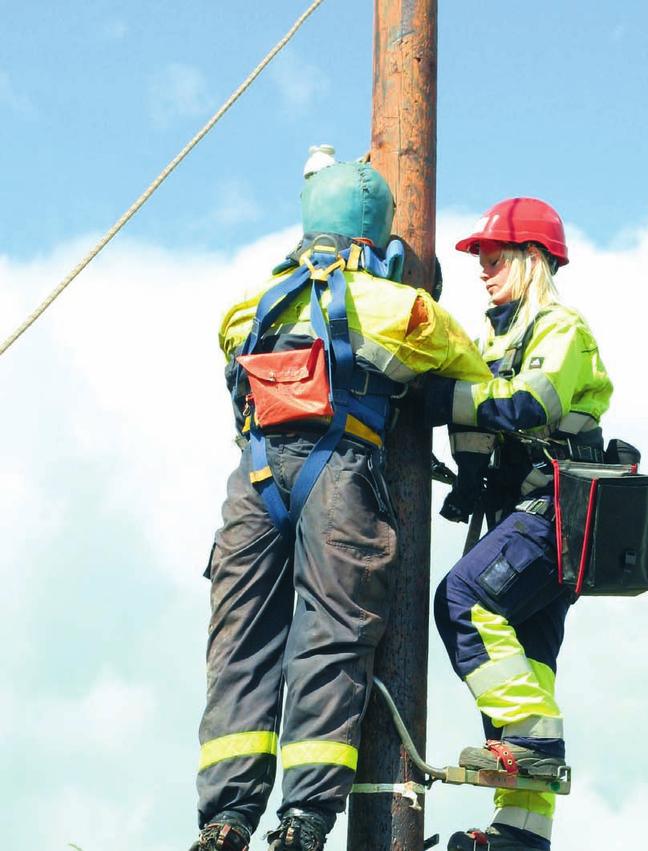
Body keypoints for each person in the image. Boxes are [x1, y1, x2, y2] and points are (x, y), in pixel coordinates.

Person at [190, 154, 492, 851]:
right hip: (339, 476)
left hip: (254, 481)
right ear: (378, 236)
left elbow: (239, 388)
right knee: (331, 635)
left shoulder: (246, 309)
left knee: (239, 643)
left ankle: (224, 820)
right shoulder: (402, 309)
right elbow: (471, 379)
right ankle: (304, 820)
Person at [424, 198, 614, 851]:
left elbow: (531, 401)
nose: (483, 269)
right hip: (535, 512)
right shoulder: (499, 335)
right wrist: (471, 475)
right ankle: (521, 831)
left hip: (557, 509)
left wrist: (438, 397)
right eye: (480, 258)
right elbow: (480, 410)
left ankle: (528, 747)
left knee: (464, 598)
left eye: (494, 256)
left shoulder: (562, 328)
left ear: (533, 260)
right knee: (526, 660)